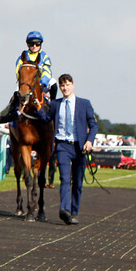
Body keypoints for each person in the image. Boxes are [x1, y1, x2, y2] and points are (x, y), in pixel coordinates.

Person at [36, 74, 98, 225]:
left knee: (77, 182)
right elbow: (46, 119)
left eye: (67, 85)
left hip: (80, 147)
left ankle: (74, 211)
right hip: (63, 145)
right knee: (64, 178)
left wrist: (89, 141)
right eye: (62, 85)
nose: (64, 88)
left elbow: (93, 124)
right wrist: (38, 108)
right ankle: (64, 210)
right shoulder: (56, 104)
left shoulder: (84, 104)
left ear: (73, 85)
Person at [15, 31, 57, 100]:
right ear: (28, 45)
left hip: (41, 83)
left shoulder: (44, 57)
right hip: (26, 83)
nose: (34, 46)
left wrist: (43, 83)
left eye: (37, 44)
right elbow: (18, 72)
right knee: (15, 95)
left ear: (40, 44)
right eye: (31, 44)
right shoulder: (22, 57)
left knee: (53, 83)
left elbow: (46, 71)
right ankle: (12, 110)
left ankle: (53, 105)